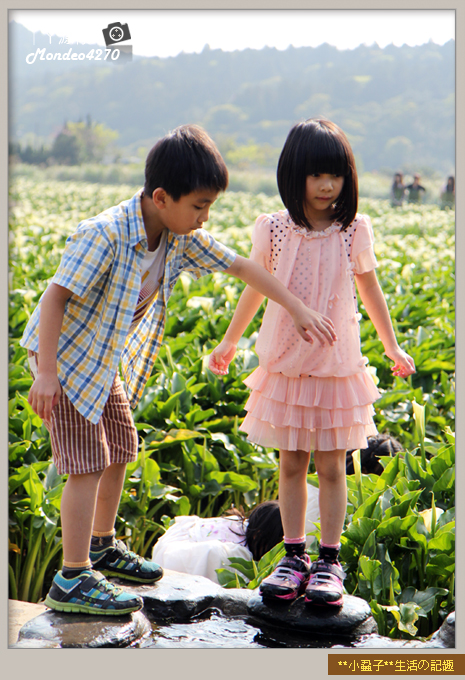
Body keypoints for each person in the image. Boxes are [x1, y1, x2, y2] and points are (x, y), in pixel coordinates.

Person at [20, 124, 333, 616]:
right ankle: (73, 576)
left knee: (122, 445)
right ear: (162, 197)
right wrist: (47, 373)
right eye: (200, 205)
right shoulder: (104, 233)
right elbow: (54, 295)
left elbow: (241, 267)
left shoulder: (177, 234)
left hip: (101, 360)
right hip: (64, 358)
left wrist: (294, 307)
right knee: (86, 462)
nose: (205, 217)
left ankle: (102, 545)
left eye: (210, 206)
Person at [209, 117, 415, 608]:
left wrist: (391, 346)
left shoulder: (352, 230)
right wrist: (229, 341)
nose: (327, 186)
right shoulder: (275, 229)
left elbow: (370, 289)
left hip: (336, 364)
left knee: (332, 467)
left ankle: (330, 560)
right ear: (293, 174)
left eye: (337, 175)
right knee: (291, 464)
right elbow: (255, 288)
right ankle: (294, 555)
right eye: (317, 175)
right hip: (286, 362)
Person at [151, 486, 320, 584]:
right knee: (218, 554)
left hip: (171, 538)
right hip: (172, 556)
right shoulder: (238, 552)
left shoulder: (239, 523)